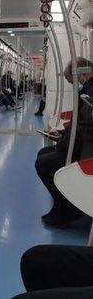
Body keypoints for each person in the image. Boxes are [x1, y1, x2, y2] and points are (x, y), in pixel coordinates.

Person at [35, 57, 93, 228]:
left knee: (43, 163)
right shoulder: (87, 89)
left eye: (73, 81)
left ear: (81, 73)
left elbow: (83, 128)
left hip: (86, 149)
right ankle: (62, 204)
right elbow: (80, 124)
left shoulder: (90, 92)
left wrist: (61, 143)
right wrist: (62, 134)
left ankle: (68, 208)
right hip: (84, 144)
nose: (75, 84)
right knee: (43, 153)